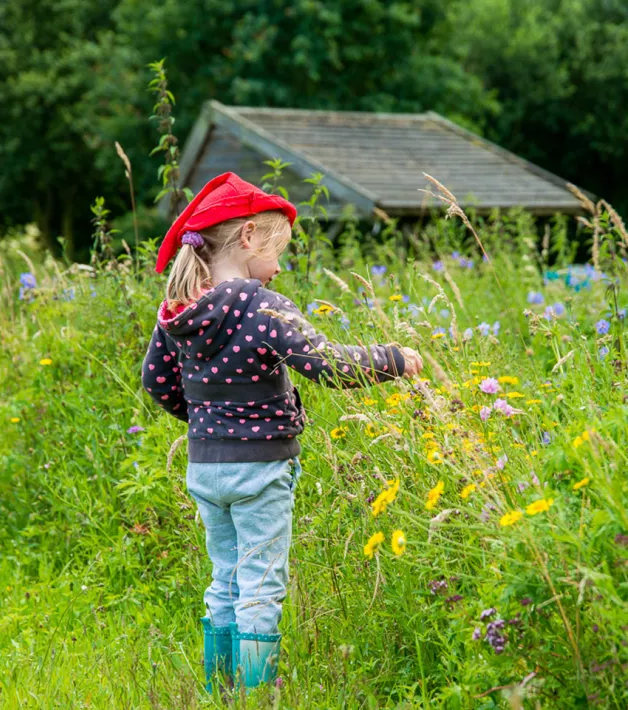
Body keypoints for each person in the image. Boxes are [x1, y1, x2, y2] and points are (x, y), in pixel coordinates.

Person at [142, 172, 423, 693]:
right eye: (277, 252)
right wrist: (394, 358)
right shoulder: (262, 306)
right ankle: (254, 695)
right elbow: (328, 364)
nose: (278, 268)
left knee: (225, 577)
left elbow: (157, 382)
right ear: (248, 237)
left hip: (205, 466)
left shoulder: (177, 311)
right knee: (261, 583)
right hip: (260, 466)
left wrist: (207, 424)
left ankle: (220, 691)